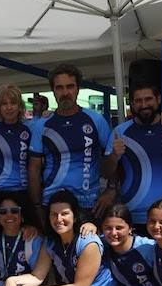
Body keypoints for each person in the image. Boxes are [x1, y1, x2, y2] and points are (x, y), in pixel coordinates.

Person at [101, 84, 162, 229]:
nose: (144, 105)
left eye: (148, 99)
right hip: (132, 216)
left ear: (158, 99)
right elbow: (106, 172)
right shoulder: (120, 131)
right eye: (138, 101)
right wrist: (114, 155)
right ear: (132, 103)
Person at [29, 64, 112, 221]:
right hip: (52, 204)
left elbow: (112, 158)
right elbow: (34, 168)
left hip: (88, 204)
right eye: (59, 88)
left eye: (70, 86)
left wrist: (112, 189)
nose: (65, 92)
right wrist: (37, 206)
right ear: (53, 91)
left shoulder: (96, 120)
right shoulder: (42, 124)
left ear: (78, 88)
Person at [0, 84, 36, 226]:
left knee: (26, 235)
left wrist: (47, 114)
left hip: (22, 191)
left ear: (20, 106)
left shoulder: (30, 128)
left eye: (13, 103)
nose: (9, 108)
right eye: (4, 104)